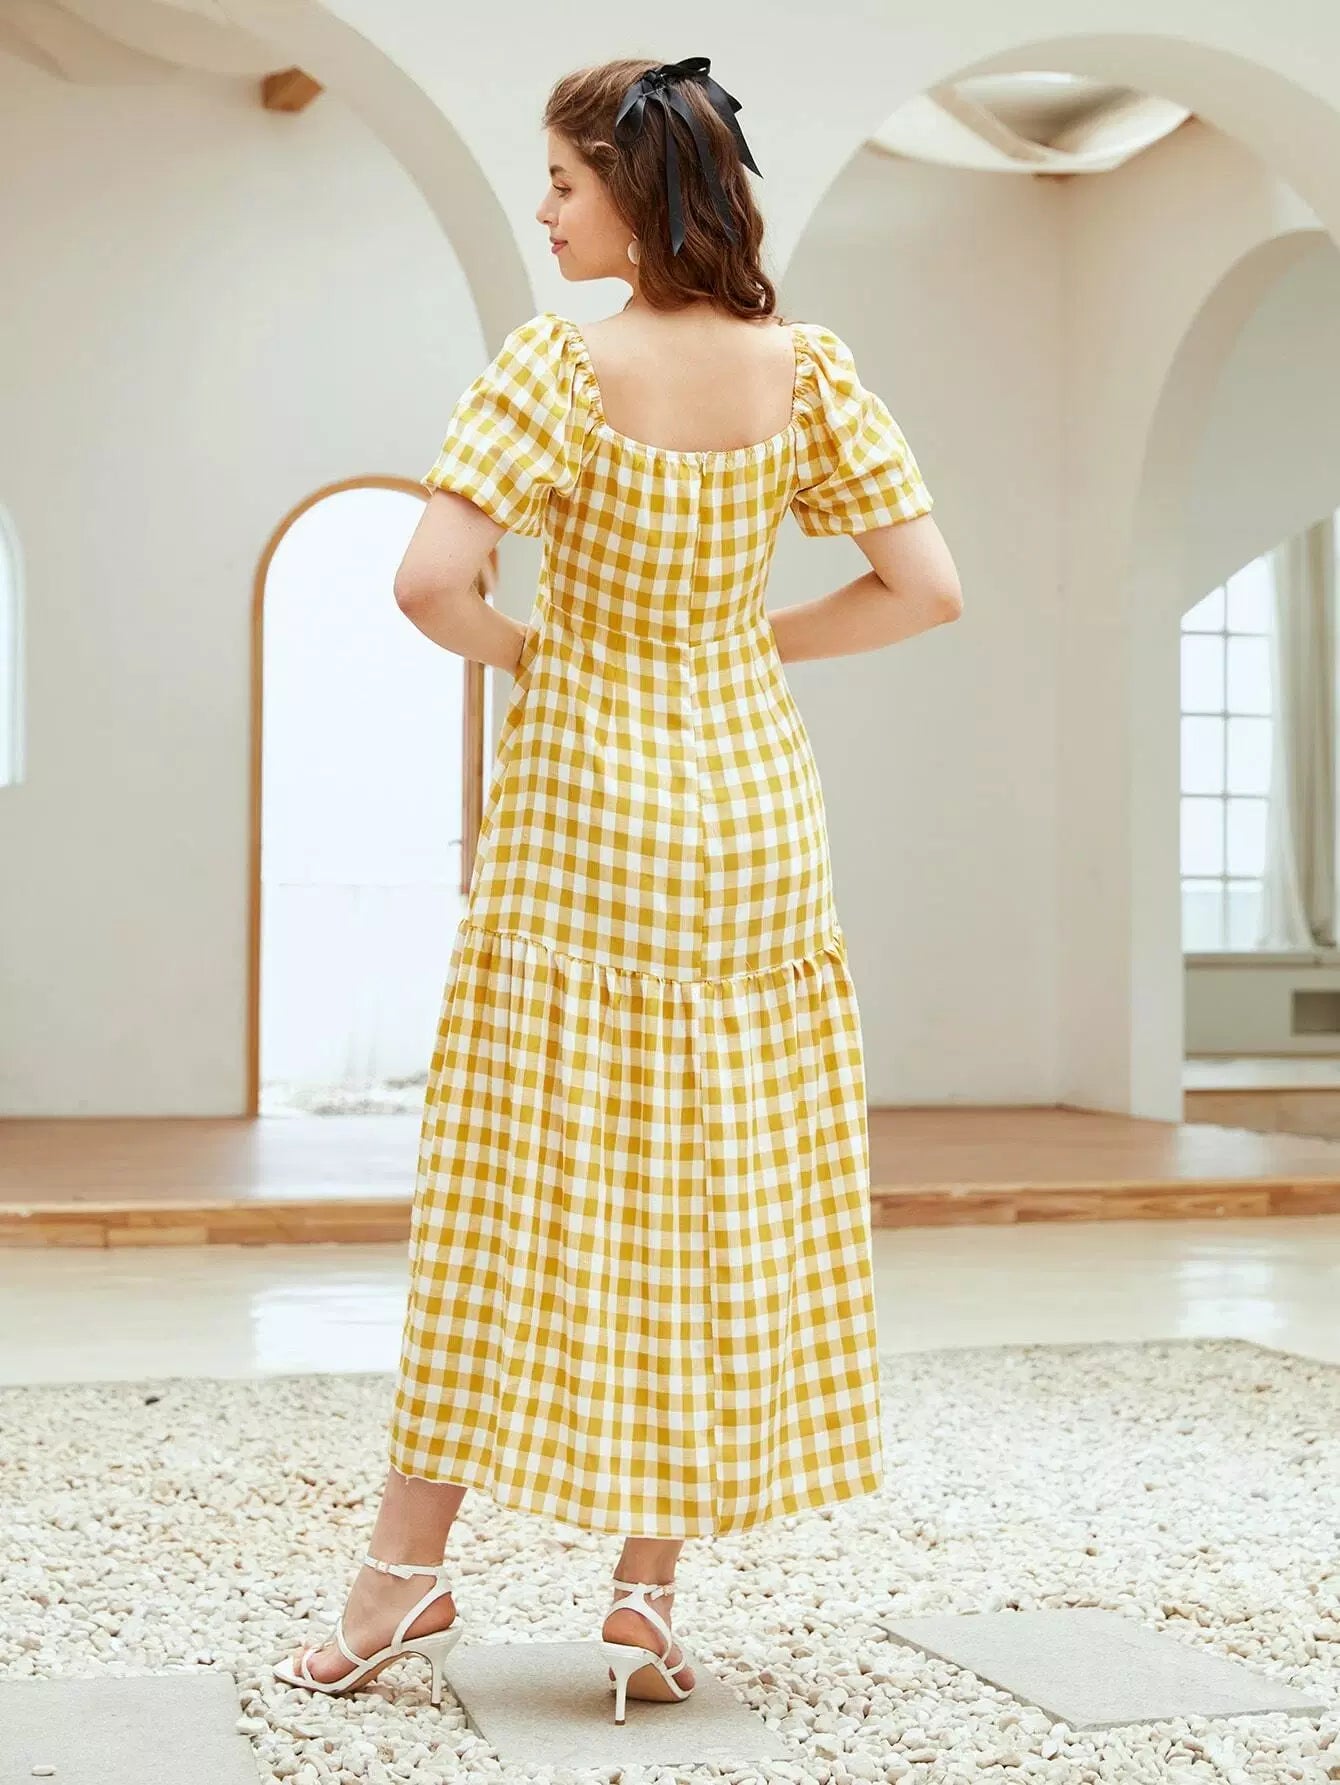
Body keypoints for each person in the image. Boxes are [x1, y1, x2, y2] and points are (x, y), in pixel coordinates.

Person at [273, 53, 962, 1722]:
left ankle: (403, 1574)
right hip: (753, 823)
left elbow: (431, 584)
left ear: (634, 196)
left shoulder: (560, 370)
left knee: (508, 1185)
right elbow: (924, 587)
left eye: (566, 183)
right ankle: (646, 1592)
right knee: (711, 1185)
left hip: (592, 819)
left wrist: (549, 654)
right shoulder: (806, 370)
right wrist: (738, 643)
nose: (544, 209)